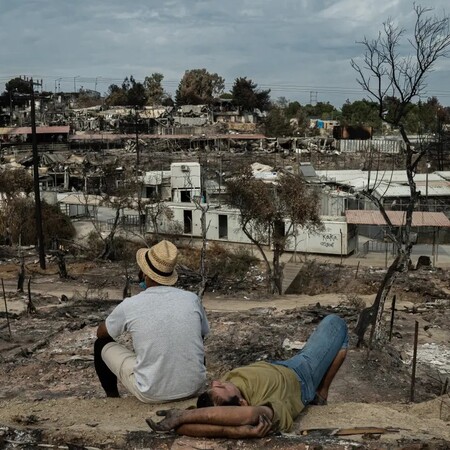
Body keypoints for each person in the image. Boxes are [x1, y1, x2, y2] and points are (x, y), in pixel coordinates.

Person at [147, 314, 348, 438]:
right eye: (222, 388)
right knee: (336, 324)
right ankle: (320, 394)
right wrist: (234, 431)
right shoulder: (263, 411)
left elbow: (181, 428)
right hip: (301, 375)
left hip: (279, 365)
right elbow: (249, 416)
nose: (217, 381)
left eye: (216, 385)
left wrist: (184, 418)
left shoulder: (214, 405)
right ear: (242, 403)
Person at [94, 240, 209, 403]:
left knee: (100, 344)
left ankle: (112, 398)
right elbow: (202, 335)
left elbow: (101, 333)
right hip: (195, 388)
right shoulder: (192, 299)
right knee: (195, 337)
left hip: (151, 392)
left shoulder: (131, 304)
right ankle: (188, 379)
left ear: (146, 274)